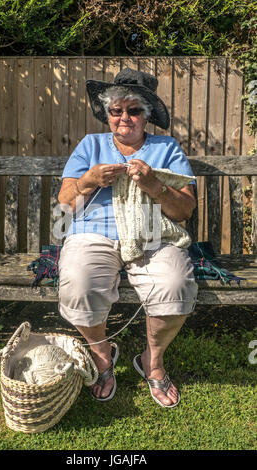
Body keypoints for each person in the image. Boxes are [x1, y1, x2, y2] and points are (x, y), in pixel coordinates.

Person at [57, 68, 198, 407]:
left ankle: (153, 360)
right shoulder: (90, 145)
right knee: (78, 281)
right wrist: (89, 180)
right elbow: (65, 205)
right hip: (93, 231)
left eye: (134, 110)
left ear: (146, 115)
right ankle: (103, 356)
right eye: (116, 110)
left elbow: (184, 212)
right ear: (107, 113)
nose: (124, 117)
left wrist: (154, 186)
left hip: (152, 232)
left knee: (175, 283)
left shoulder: (166, 148)